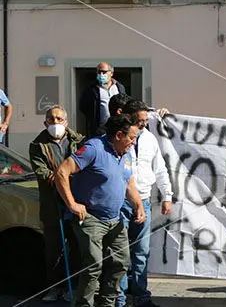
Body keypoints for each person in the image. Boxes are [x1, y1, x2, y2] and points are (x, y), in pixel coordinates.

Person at [55, 114, 146, 307]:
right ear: (119, 135)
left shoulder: (126, 153)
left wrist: (138, 205)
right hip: (91, 217)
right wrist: (72, 204)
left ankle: (107, 303)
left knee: (121, 262)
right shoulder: (93, 148)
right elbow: (62, 172)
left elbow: (128, 182)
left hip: (115, 218)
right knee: (93, 265)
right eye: (131, 137)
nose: (134, 142)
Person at [116, 100, 174, 307]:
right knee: (121, 252)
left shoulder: (150, 139)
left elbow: (160, 168)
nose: (142, 125)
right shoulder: (118, 138)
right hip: (121, 201)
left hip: (145, 199)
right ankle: (120, 299)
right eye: (138, 121)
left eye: (145, 121)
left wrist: (167, 195)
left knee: (141, 252)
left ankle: (141, 297)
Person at [29, 105, 85, 302]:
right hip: (53, 204)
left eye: (59, 119)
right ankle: (55, 287)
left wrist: (67, 178)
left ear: (66, 122)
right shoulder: (37, 146)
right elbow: (43, 173)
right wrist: (62, 178)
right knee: (54, 250)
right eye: (51, 120)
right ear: (45, 123)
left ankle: (77, 287)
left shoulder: (78, 141)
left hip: (76, 201)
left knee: (77, 247)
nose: (55, 123)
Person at [79, 62, 127, 137]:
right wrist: (93, 120)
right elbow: (83, 107)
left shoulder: (119, 87)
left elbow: (125, 104)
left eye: (104, 72)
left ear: (111, 73)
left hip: (117, 128)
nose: (101, 74)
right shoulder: (91, 89)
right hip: (100, 130)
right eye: (99, 72)